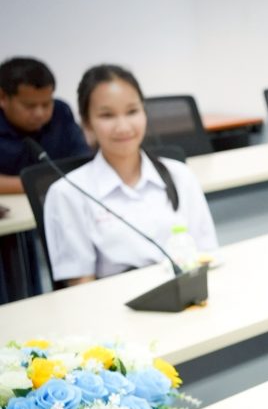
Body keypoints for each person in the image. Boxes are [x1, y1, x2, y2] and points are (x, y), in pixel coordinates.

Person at [44, 64, 218, 286]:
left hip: (187, 298)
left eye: (132, 111)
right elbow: (81, 287)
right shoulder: (68, 193)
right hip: (115, 304)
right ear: (87, 123)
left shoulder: (180, 175)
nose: (123, 126)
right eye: (107, 115)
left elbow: (207, 256)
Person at [0, 57, 90, 194]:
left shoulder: (61, 112)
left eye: (46, 104)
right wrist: (43, 184)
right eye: (29, 106)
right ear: (2, 97)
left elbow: (84, 163)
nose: (39, 113)